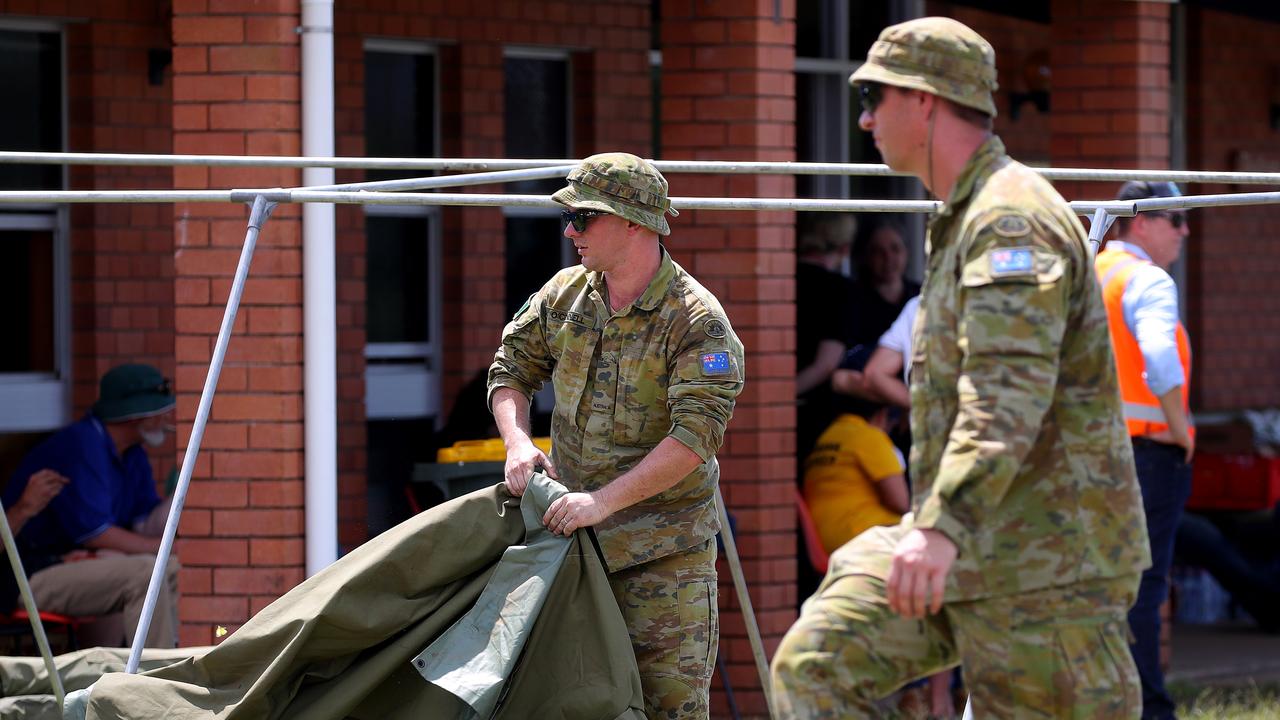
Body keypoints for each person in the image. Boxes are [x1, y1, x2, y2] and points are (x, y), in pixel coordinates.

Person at [771, 17, 1151, 718]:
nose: (862, 118)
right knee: (814, 664)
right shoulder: (960, 215)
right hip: (964, 537)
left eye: (874, 97)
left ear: (924, 100)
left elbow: (1006, 394)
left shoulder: (1010, 219)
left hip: (1044, 561)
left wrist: (938, 528)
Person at [487, 152, 745, 718]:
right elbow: (510, 370)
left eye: (583, 216)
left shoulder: (696, 319)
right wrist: (518, 442)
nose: (570, 229)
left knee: (667, 710)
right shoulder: (565, 296)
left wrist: (601, 503)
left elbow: (694, 437)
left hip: (663, 561)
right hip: (572, 549)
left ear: (634, 221)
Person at [1096, 181, 1195, 719]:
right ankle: (1147, 710)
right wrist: (1180, 427)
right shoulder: (1146, 278)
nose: (1185, 230)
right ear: (1139, 222)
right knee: (1141, 586)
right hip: (1149, 454)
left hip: (1088, 457)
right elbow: (1158, 356)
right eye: (1175, 219)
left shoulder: (1086, 272)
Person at [1, 364, 180, 648]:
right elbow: (95, 533)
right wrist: (23, 508)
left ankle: (141, 669)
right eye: (158, 410)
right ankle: (159, 681)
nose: (168, 417)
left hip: (65, 562)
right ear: (134, 414)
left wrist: (195, 489)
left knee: (162, 565)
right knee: (148, 571)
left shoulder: (133, 453)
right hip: (25, 574)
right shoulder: (81, 444)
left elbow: (143, 521)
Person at [796, 213, 857, 463]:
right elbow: (826, 364)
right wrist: (782, 396)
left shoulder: (778, 277)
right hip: (812, 411)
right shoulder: (838, 289)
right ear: (844, 248)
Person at [846, 217, 920, 348]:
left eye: (895, 249)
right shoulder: (851, 301)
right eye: (878, 251)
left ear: (906, 253)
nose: (888, 258)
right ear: (865, 256)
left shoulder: (921, 296)